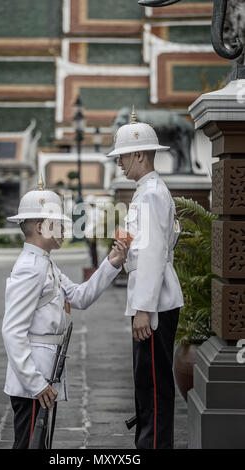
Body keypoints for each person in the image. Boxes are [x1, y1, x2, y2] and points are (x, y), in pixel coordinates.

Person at [2, 177, 128, 449]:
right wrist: (36, 383)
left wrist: (112, 263)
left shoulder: (45, 264)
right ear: (40, 226)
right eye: (58, 224)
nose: (63, 229)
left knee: (39, 444)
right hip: (33, 380)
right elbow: (12, 331)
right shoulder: (30, 268)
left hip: (45, 375)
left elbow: (80, 297)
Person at [107, 107, 184, 449]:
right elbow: (172, 235)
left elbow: (152, 255)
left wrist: (142, 309)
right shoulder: (150, 190)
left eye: (122, 157)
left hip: (152, 303)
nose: (119, 164)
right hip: (156, 297)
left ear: (139, 154)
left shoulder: (150, 194)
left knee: (152, 384)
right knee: (150, 383)